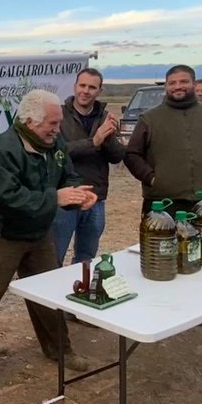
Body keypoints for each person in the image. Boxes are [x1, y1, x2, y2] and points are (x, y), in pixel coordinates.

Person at [0, 88, 98, 381]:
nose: (57, 128)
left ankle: (59, 348)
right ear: (29, 120)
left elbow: (69, 174)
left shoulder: (54, 142)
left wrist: (79, 193)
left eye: (58, 122)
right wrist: (55, 199)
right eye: (51, 123)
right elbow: (5, 198)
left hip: (39, 235)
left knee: (49, 296)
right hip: (4, 235)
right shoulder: (5, 148)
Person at [124, 64, 202, 218]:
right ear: (166, 86)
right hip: (163, 203)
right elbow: (132, 154)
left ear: (194, 84)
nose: (178, 86)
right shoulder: (150, 118)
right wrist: (152, 179)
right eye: (172, 83)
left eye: (183, 82)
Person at [54, 68, 123, 264]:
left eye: (92, 87)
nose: (85, 91)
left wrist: (108, 137)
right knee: (54, 256)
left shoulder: (105, 117)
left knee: (86, 257)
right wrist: (95, 141)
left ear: (99, 91)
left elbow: (117, 157)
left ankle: (79, 290)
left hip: (95, 197)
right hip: (66, 197)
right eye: (82, 85)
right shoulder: (59, 115)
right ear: (75, 87)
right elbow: (58, 152)